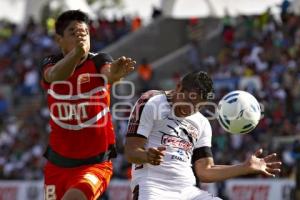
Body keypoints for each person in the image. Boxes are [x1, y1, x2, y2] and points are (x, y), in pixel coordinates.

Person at [124, 71, 281, 200]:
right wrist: (146, 156)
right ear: (179, 87)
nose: (189, 109)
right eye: (188, 100)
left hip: (188, 192)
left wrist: (244, 167)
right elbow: (131, 152)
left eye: (197, 106)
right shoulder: (151, 102)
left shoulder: (201, 123)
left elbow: (205, 171)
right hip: (153, 187)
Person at [40, 10, 135, 200]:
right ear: (59, 40)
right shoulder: (50, 63)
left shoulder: (99, 60)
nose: (81, 35)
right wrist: (76, 54)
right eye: (73, 32)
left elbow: (109, 72)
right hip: (56, 167)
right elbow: (54, 76)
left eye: (84, 32)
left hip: (95, 165)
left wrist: (114, 74)